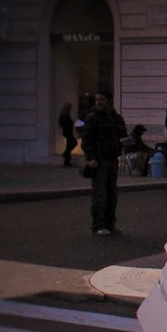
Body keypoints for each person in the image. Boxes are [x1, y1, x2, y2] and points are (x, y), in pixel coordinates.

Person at [81, 91, 127, 236]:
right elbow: (87, 140)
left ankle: (110, 223)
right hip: (99, 160)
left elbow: (122, 136)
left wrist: (125, 143)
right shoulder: (93, 118)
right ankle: (98, 225)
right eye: (97, 99)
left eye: (101, 99)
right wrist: (90, 158)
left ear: (109, 101)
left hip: (113, 159)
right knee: (99, 193)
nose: (98, 102)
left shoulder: (117, 118)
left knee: (112, 193)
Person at [58, 102, 78, 167]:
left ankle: (67, 162)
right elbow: (68, 123)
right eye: (70, 107)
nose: (71, 109)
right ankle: (66, 155)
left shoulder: (62, 114)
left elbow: (61, 124)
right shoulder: (66, 115)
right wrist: (73, 122)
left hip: (66, 131)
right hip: (68, 132)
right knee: (73, 143)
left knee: (69, 146)